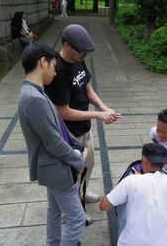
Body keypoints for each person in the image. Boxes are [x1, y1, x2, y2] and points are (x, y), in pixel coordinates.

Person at [45, 24, 122, 224]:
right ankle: (69, 211)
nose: (84, 56)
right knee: (73, 174)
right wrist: (97, 115)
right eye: (82, 52)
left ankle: (80, 195)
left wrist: (104, 108)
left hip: (84, 129)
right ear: (67, 46)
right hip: (69, 135)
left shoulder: (78, 60)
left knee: (89, 164)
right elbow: (63, 112)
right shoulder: (58, 71)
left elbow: (87, 88)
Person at [18, 43, 87, 246]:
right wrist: (78, 159)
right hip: (56, 167)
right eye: (54, 66)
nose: (55, 73)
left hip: (51, 167)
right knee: (77, 219)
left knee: (54, 211)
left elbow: (59, 126)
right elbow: (54, 143)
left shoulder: (35, 92)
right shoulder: (33, 98)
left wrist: (78, 145)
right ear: (42, 62)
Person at [99, 143, 167, 246]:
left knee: (124, 203)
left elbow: (103, 206)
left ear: (144, 158)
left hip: (130, 243)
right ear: (164, 163)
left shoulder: (131, 180)